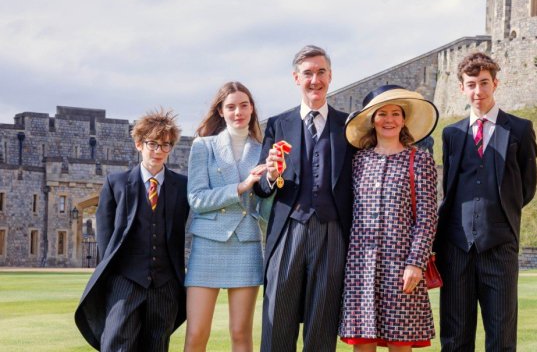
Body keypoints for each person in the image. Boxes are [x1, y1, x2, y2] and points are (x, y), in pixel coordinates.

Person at [253, 45, 355, 351]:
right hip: (288, 230)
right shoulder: (277, 124)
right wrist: (270, 174)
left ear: (330, 76)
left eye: (321, 72)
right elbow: (262, 188)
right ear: (296, 78)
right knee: (277, 321)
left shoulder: (348, 125)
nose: (315, 80)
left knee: (322, 325)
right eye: (308, 73)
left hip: (332, 231)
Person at [435, 52, 537, 351]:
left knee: (502, 338)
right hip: (455, 248)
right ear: (461, 89)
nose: (477, 91)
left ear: (495, 84)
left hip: (500, 246)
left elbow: (526, 187)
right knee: (454, 339)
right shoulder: (451, 134)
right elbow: (449, 189)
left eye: (483, 83)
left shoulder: (519, 129)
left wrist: (500, 219)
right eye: (471, 84)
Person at [75, 109, 190, 351]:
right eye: (153, 144)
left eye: (166, 145)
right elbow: (106, 238)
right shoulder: (115, 183)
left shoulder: (182, 185)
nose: (159, 151)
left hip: (166, 283)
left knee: (157, 344)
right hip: (126, 281)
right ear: (139, 144)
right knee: (117, 344)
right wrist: (117, 275)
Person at [339, 85, 439, 351]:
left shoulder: (419, 160)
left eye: (395, 113)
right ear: (372, 120)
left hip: (402, 265)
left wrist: (416, 263)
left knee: (400, 343)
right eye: (382, 114)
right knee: (362, 343)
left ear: (404, 120)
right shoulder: (358, 161)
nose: (389, 120)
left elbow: (428, 217)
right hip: (362, 266)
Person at [183, 82, 266, 351]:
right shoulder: (203, 146)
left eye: (244, 105)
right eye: (230, 106)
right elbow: (196, 199)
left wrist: (274, 182)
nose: (238, 111)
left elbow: (265, 204)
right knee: (196, 334)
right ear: (220, 110)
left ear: (252, 108)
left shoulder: (264, 149)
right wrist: (240, 188)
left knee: (241, 334)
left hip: (247, 244)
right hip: (208, 244)